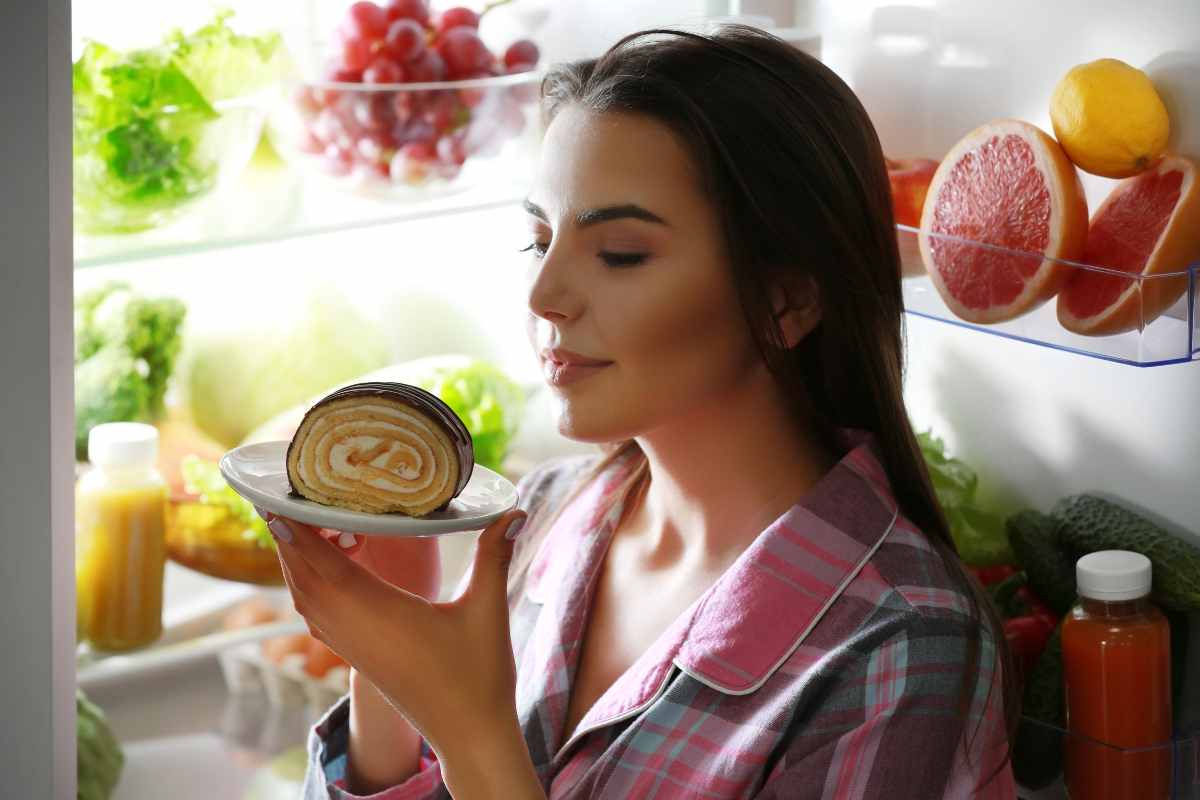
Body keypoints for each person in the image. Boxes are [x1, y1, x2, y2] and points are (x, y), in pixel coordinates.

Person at [264, 24, 1019, 799]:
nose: (543, 297)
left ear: (786, 299)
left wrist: (471, 731)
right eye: (539, 239)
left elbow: (477, 748)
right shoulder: (546, 512)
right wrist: (390, 675)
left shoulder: (898, 650)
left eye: (619, 254)